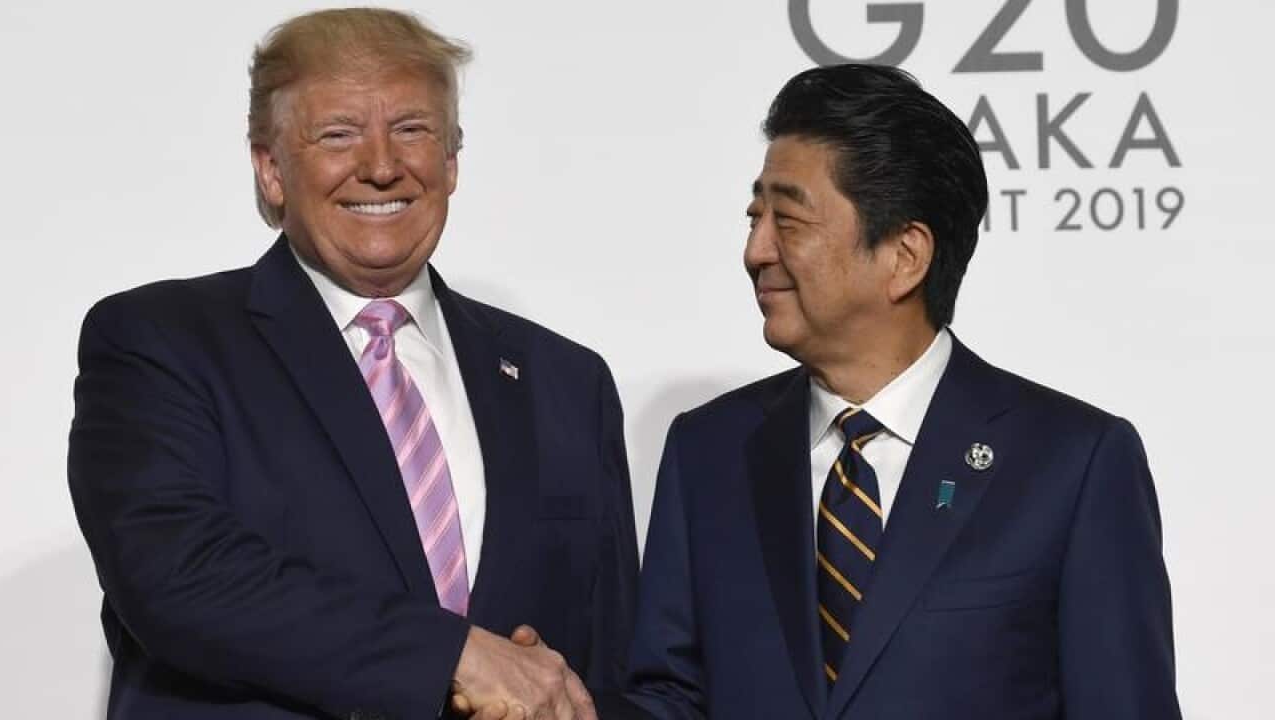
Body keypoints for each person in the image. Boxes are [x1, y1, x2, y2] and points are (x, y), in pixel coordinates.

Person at [67, 8, 637, 720]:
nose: (381, 166)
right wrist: (451, 655)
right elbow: (176, 575)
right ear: (271, 169)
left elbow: (611, 664)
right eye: (339, 134)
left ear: (452, 161)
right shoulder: (160, 343)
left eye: (413, 129)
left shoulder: (567, 383)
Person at [624, 64, 1181, 719]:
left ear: (905, 256)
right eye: (754, 216)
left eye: (788, 220)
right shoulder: (708, 451)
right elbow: (670, 697)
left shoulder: (1073, 463)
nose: (756, 251)